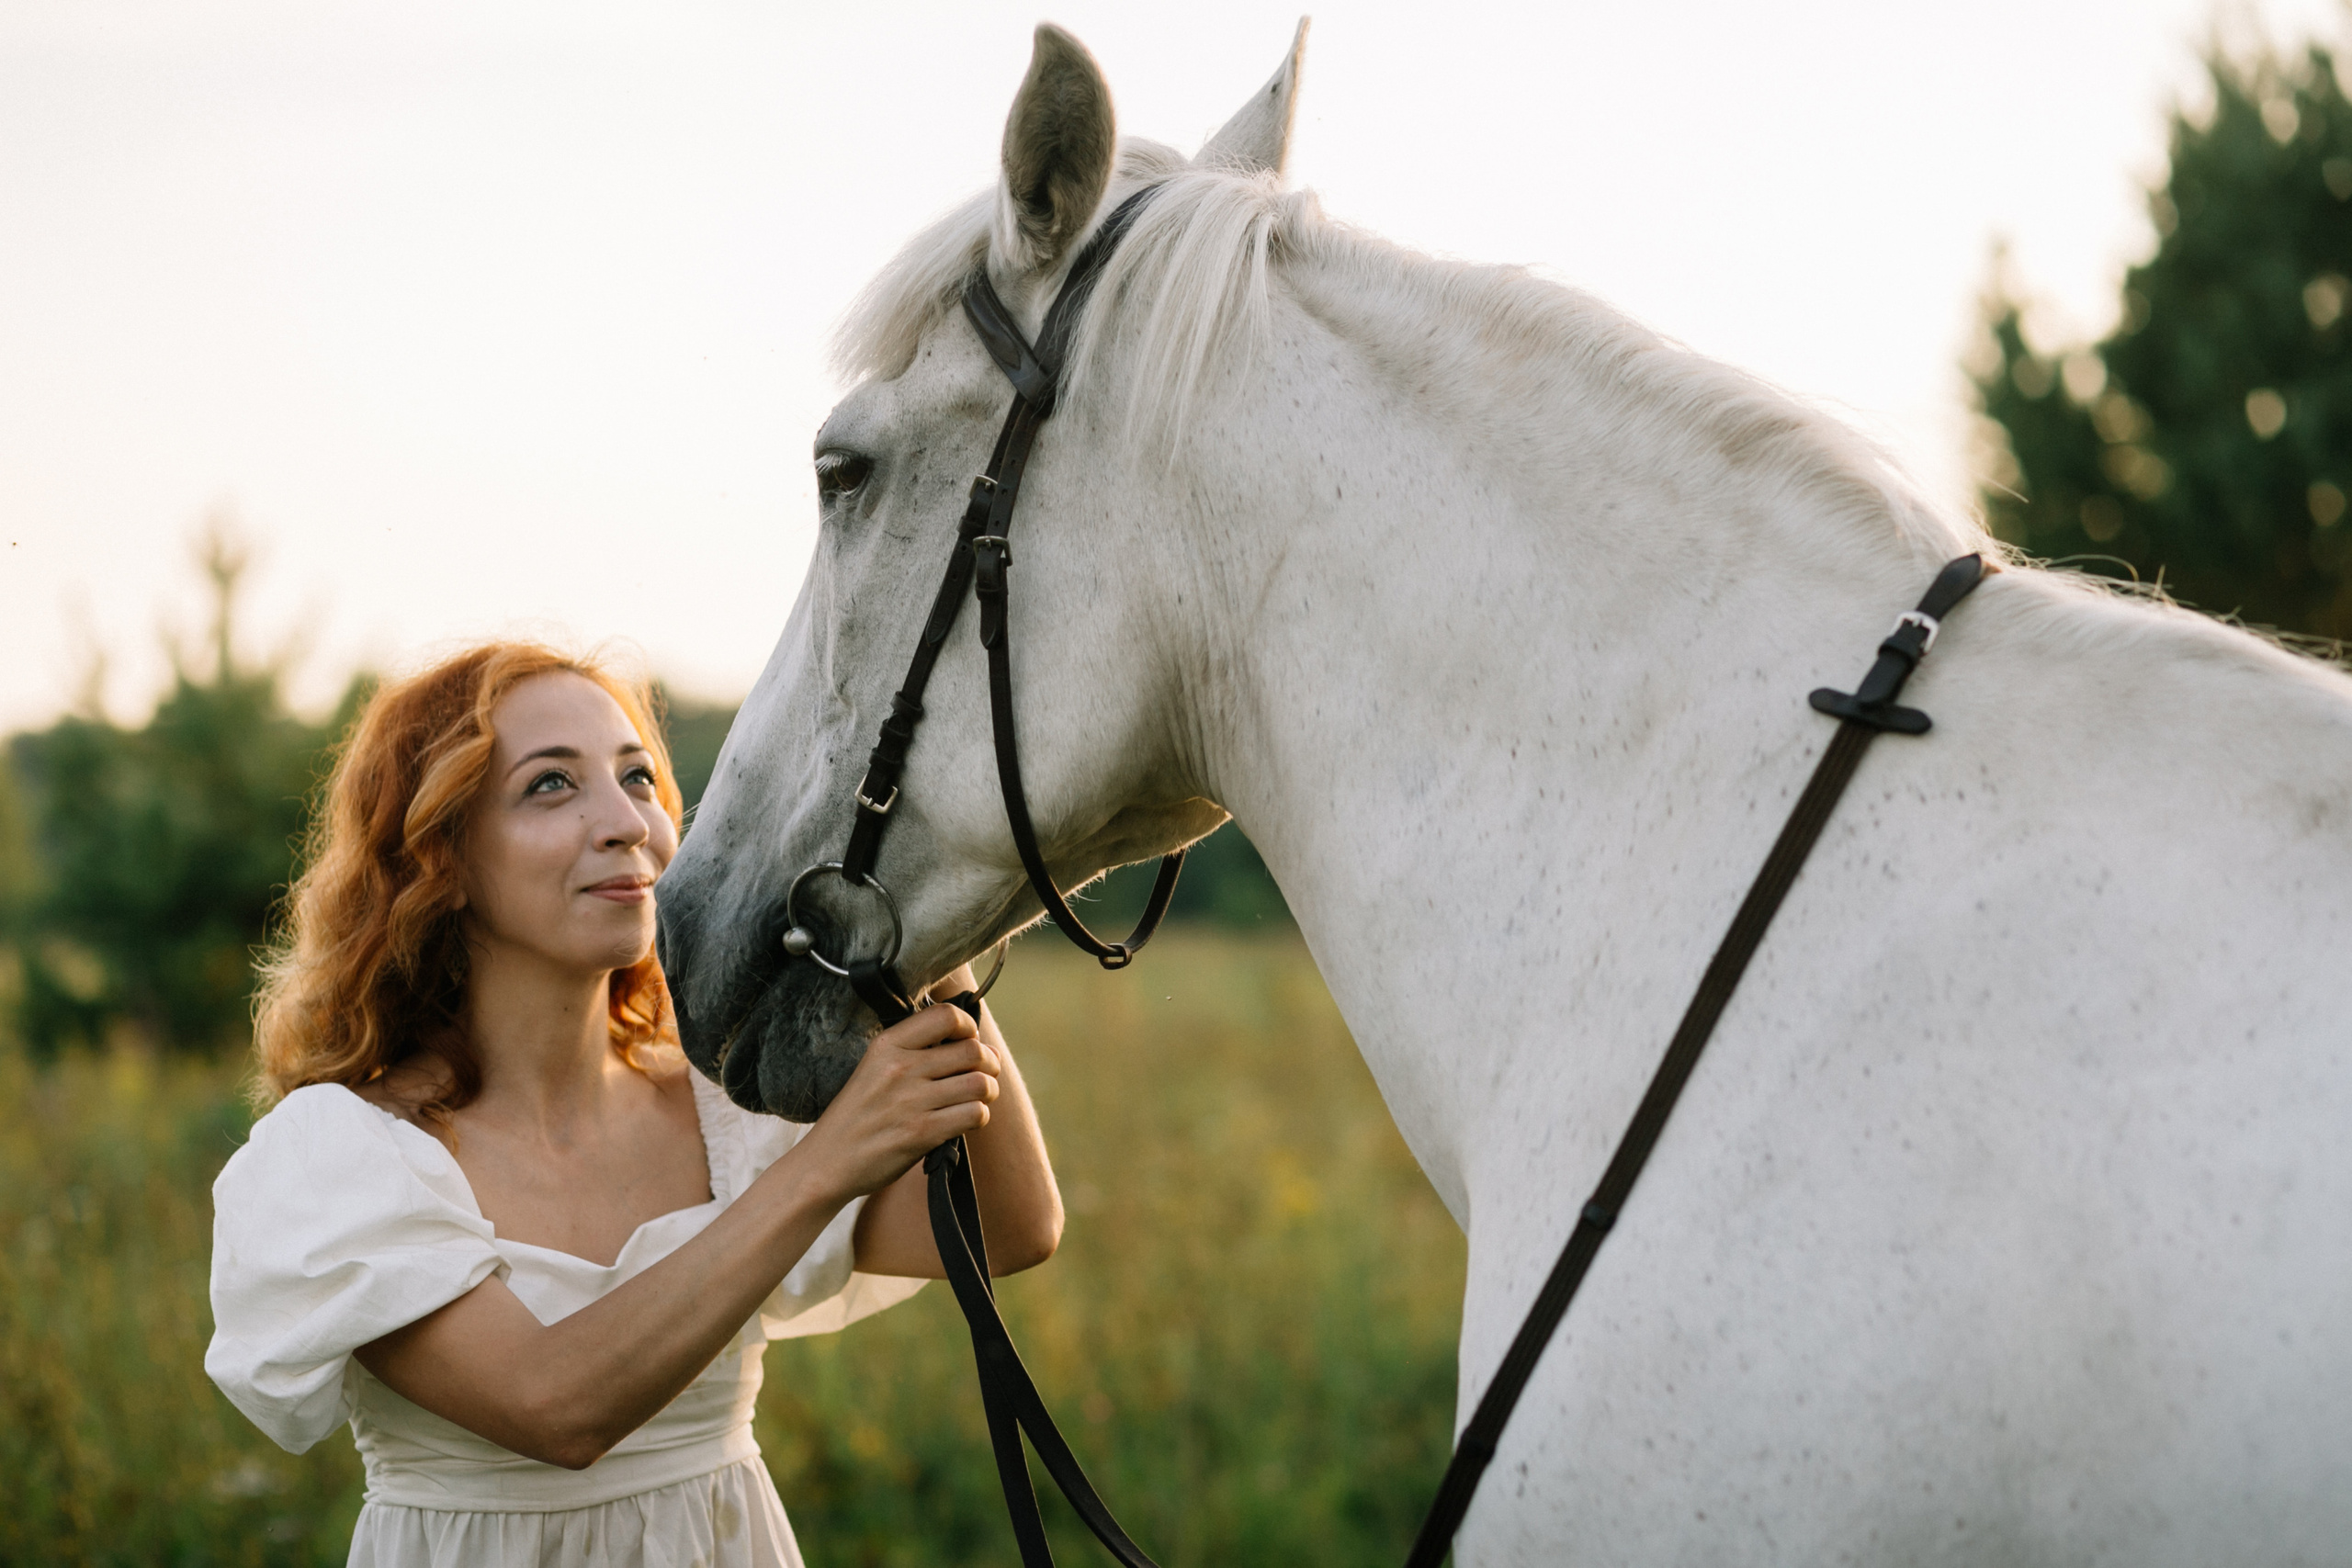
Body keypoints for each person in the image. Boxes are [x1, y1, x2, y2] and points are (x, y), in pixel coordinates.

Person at [205, 643, 1062, 1567]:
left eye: (638, 778)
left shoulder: (725, 1102)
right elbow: (556, 1409)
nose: (627, 824)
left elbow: (1009, 1228)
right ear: (439, 855)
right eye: (550, 787)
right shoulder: (340, 1154)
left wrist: (923, 922)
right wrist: (826, 1166)